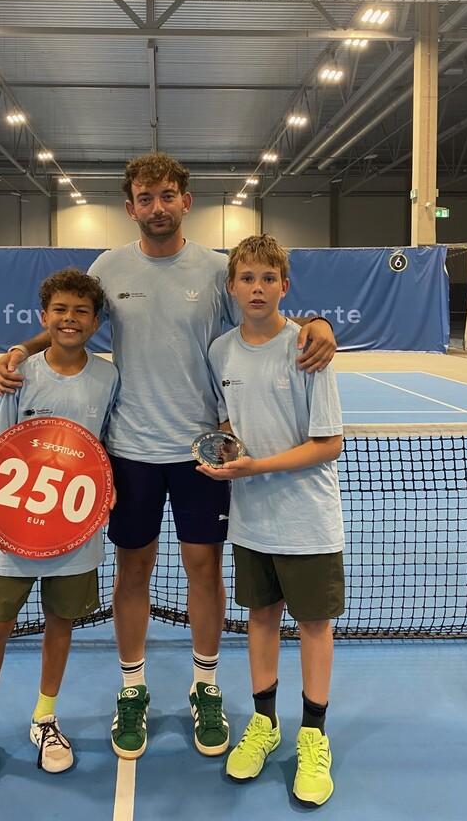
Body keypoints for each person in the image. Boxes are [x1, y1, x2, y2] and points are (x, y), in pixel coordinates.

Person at [0, 153, 337, 762]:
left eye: (167, 196)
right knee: (134, 571)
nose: (157, 207)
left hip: (202, 451)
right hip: (128, 450)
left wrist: (318, 321)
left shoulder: (216, 269)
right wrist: (21, 349)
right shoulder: (108, 266)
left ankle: (205, 685)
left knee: (204, 570)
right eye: (146, 198)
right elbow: (72, 320)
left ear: (186, 201)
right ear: (131, 207)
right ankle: (133, 689)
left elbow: (264, 313)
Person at [0, 269, 119, 797]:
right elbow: (2, 445)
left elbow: (106, 446)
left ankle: (45, 718)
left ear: (96, 322)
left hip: (76, 528)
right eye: (60, 310)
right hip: (14, 527)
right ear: (44, 317)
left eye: (81, 311)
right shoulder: (21, 372)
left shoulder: (109, 377)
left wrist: (105, 492)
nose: (70, 319)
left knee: (60, 623)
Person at [197, 234, 344, 807]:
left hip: (307, 519)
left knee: (313, 626)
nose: (257, 288)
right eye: (247, 278)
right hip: (251, 519)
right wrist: (228, 452)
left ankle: (313, 735)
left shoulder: (308, 347)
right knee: (260, 618)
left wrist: (255, 467)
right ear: (232, 286)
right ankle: (264, 724)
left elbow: (328, 443)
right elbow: (228, 423)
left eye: (267, 279)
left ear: (285, 286)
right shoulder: (220, 352)